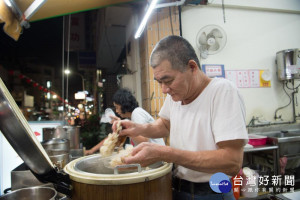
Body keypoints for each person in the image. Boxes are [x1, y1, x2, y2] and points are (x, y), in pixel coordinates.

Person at [113, 35, 248, 200]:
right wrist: (137, 128)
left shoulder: (222, 91)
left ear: (192, 67)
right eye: (159, 82)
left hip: (211, 192)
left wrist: (165, 153)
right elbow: (164, 124)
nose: (164, 89)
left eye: (168, 80)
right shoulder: (176, 96)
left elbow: (232, 161)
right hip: (177, 188)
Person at [84, 88, 165, 155]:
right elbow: (112, 138)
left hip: (157, 158)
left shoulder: (137, 113)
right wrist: (92, 150)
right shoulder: (131, 118)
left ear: (123, 104)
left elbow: (143, 140)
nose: (116, 111)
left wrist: (125, 128)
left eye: (117, 107)